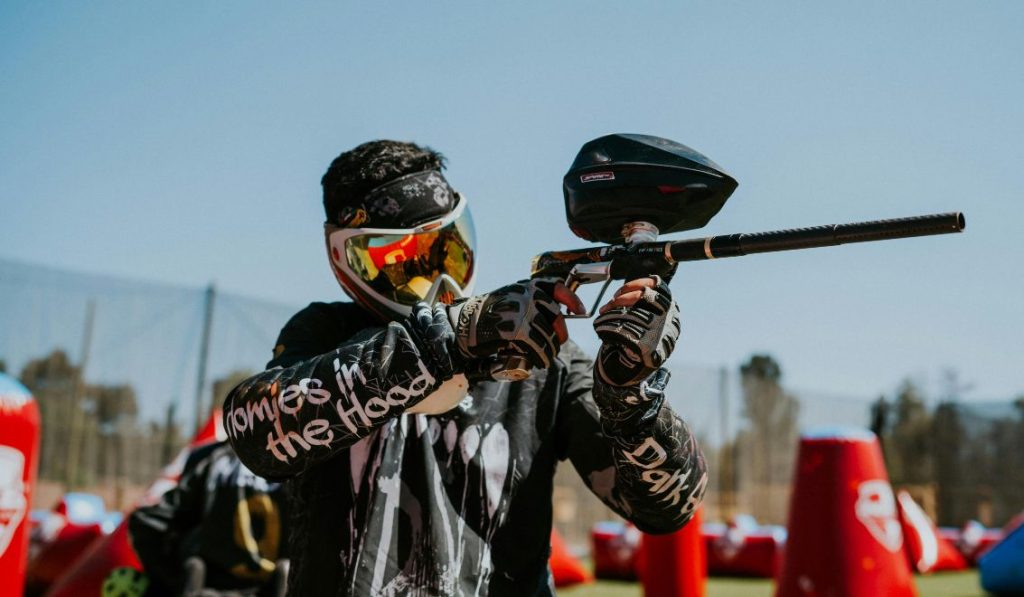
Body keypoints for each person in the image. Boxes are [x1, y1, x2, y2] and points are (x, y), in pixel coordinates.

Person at [223, 140, 706, 596]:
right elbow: (257, 436)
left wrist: (630, 395)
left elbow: (668, 509)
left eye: (448, 248)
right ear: (343, 259)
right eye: (401, 261)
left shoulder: (543, 356)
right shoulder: (323, 335)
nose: (439, 279)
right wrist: (446, 341)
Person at [129, 441, 289, 596]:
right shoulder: (301, 460)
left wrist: (176, 582)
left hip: (207, 589)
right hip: (274, 588)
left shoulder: (210, 457)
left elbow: (145, 522)